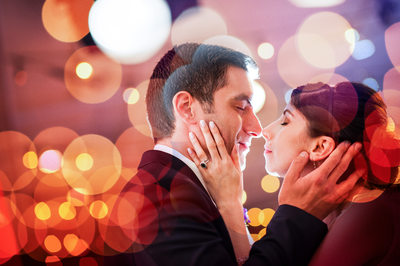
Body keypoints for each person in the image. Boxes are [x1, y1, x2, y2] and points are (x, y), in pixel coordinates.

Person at [104, 43, 363, 266]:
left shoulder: (185, 191)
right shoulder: (159, 197)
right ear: (187, 108)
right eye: (240, 107)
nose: (257, 128)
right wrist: (296, 215)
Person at [189, 81, 400, 265]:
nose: (266, 131)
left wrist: (232, 203)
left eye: (286, 121)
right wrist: (231, 202)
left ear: (320, 147)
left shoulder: (367, 214)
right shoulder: (337, 216)